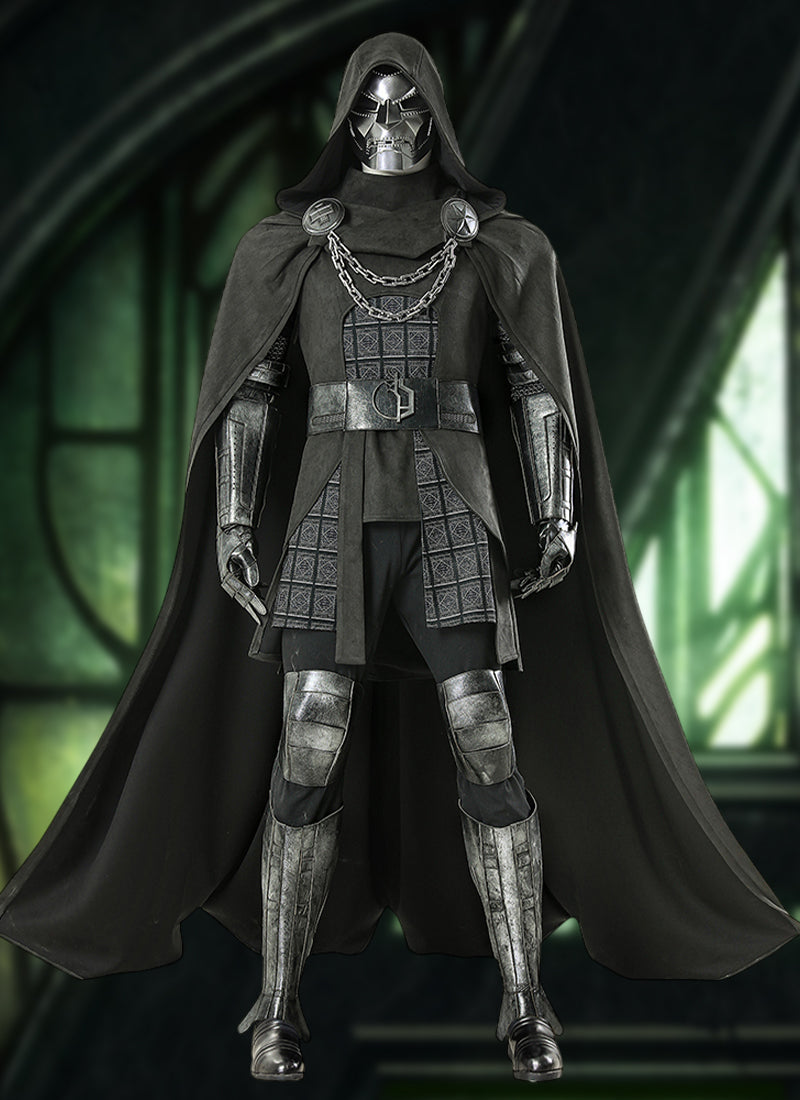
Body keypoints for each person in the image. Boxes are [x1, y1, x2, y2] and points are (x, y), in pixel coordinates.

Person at [1, 31, 797, 1088]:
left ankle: (524, 996)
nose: (388, 127)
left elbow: (536, 386)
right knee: (309, 741)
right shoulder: (291, 245)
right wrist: (233, 523)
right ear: (348, 118)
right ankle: (277, 1000)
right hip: (329, 503)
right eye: (371, 109)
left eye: (407, 107)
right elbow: (250, 392)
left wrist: (557, 512)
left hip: (448, 505)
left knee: (485, 735)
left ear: (433, 118)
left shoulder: (494, 245)